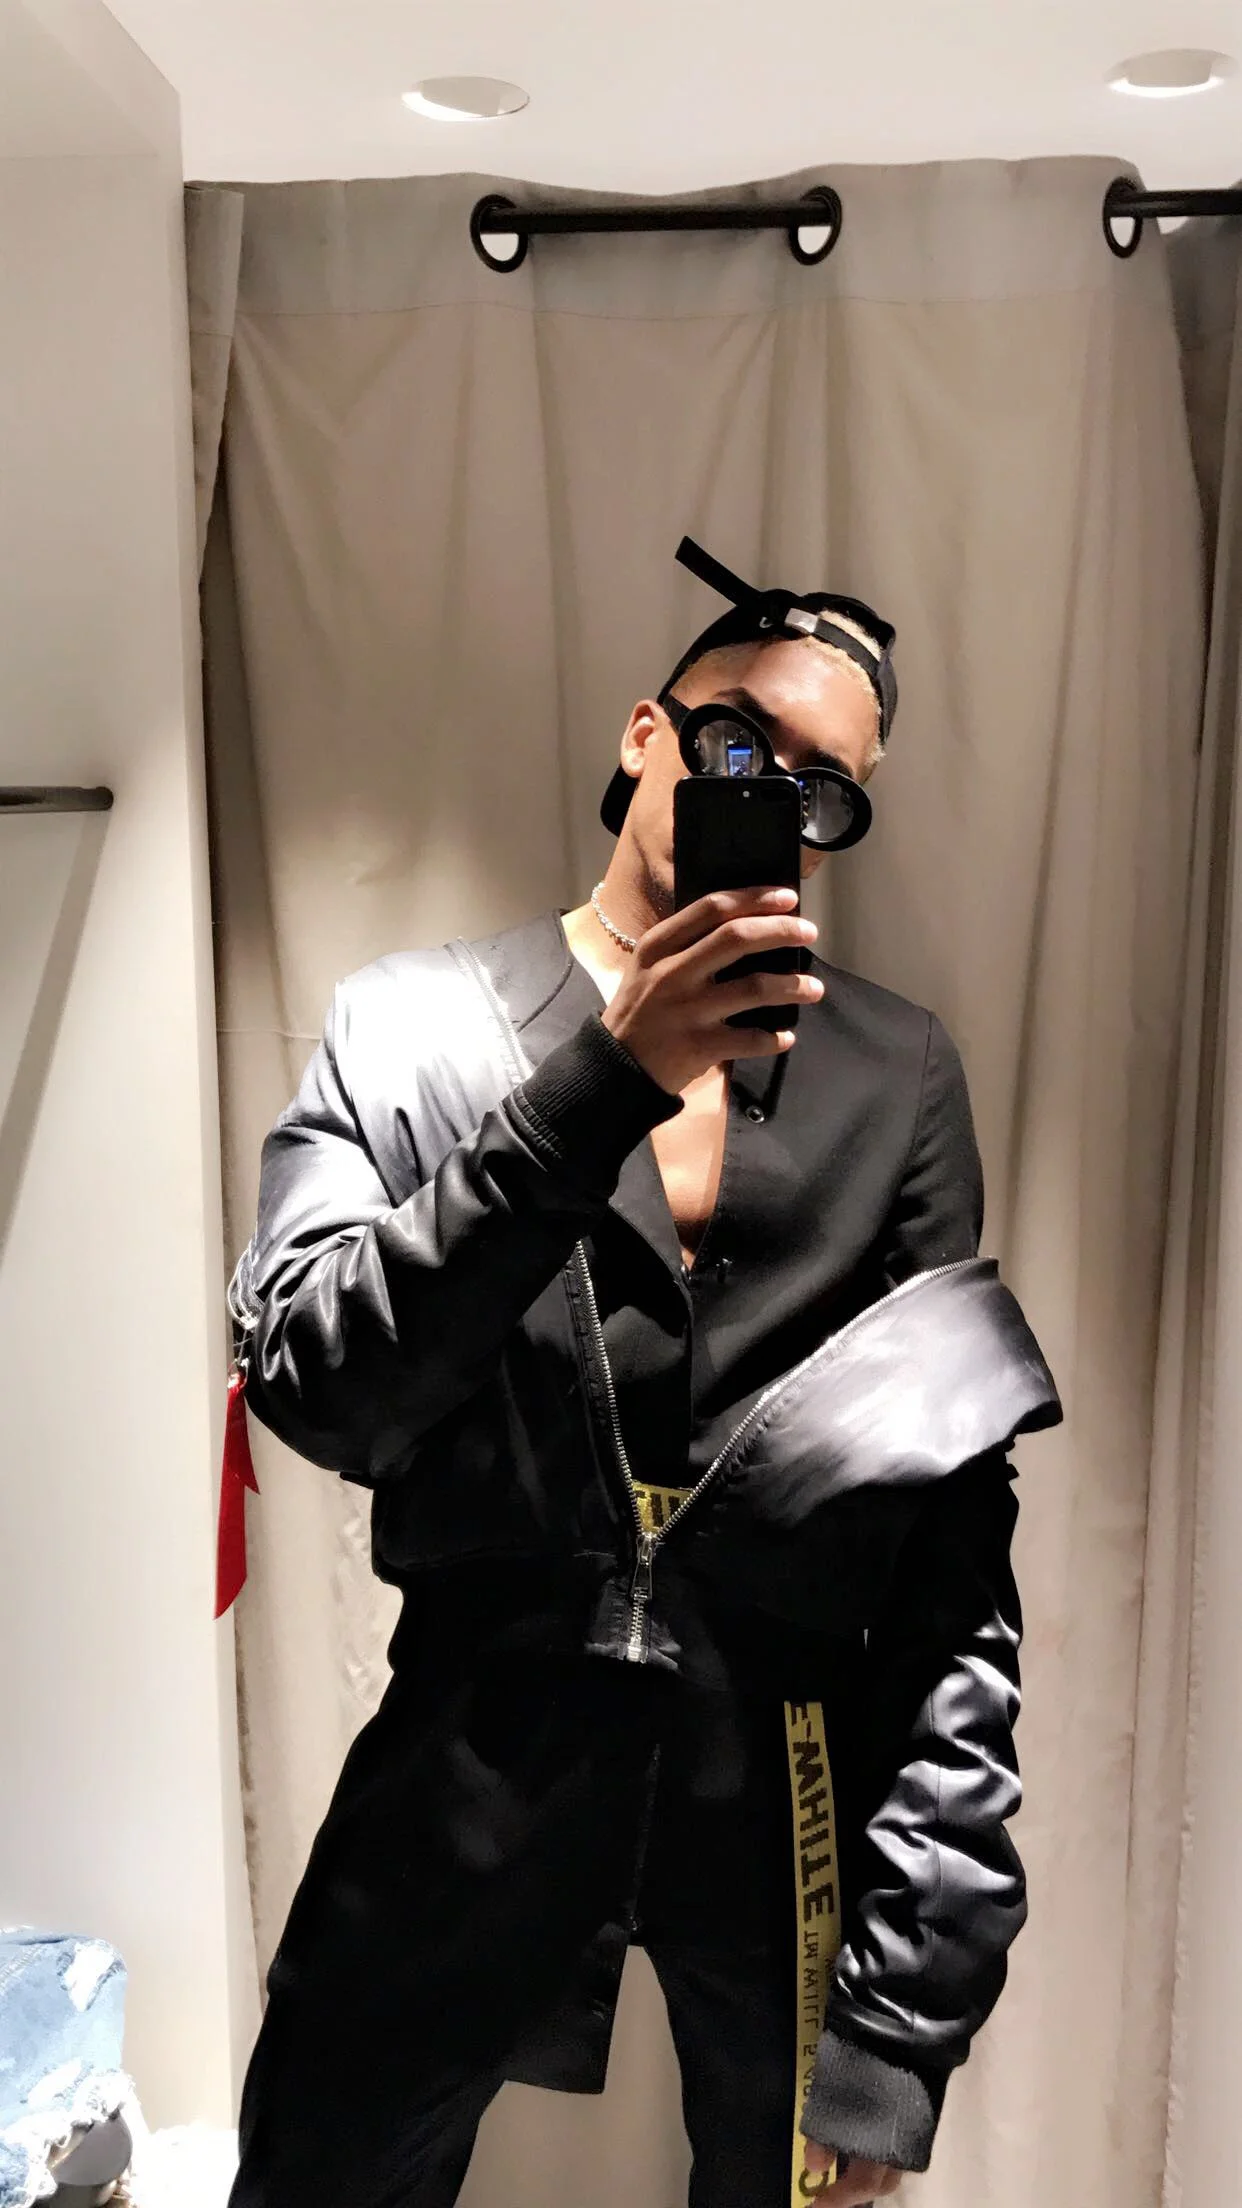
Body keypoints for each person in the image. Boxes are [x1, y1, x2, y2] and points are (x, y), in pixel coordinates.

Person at [225, 540, 1060, 2208]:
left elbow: (950, 1552)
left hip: (785, 1783)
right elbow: (321, 1387)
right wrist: (595, 1084)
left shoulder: (894, 1077)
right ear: (642, 732)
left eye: (824, 791)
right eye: (740, 741)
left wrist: (901, 2015)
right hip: (467, 1754)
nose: (774, 799)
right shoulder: (414, 1026)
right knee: (321, 2170)